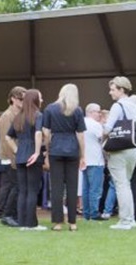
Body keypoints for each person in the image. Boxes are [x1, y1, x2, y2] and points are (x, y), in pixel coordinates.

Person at [42, 83, 87, 231]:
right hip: (72, 149)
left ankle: (57, 222)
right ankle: (73, 222)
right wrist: (83, 155)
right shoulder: (78, 110)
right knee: (72, 187)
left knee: (56, 188)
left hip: (56, 149)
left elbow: (46, 133)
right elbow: (80, 135)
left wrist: (47, 151)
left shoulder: (50, 109)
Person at [103, 76, 136, 230]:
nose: (110, 92)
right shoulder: (135, 107)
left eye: (113, 89)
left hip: (119, 150)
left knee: (121, 185)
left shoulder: (117, 106)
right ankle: (130, 218)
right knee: (126, 184)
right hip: (133, 149)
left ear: (121, 90)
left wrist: (101, 137)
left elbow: (107, 129)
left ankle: (125, 220)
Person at [7, 89, 47, 231]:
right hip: (32, 156)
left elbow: (8, 137)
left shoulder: (18, 116)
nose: (42, 100)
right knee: (32, 191)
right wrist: (37, 152)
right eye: (40, 98)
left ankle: (23, 223)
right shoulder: (38, 115)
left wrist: (17, 150)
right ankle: (31, 224)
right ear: (35, 100)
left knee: (23, 190)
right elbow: (38, 133)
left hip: (20, 157)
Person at [0, 87, 26, 227]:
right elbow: (6, 140)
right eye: (21, 99)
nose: (23, 102)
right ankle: (7, 215)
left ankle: (12, 214)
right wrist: (15, 158)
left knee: (16, 187)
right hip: (10, 157)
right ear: (13, 99)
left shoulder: (18, 114)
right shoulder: (6, 116)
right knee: (15, 186)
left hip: (16, 156)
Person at [82, 103, 105, 220]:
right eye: (97, 111)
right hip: (96, 160)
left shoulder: (81, 122)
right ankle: (94, 213)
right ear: (91, 112)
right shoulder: (96, 125)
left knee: (85, 189)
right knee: (95, 189)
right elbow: (102, 140)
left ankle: (86, 213)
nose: (99, 114)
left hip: (84, 159)